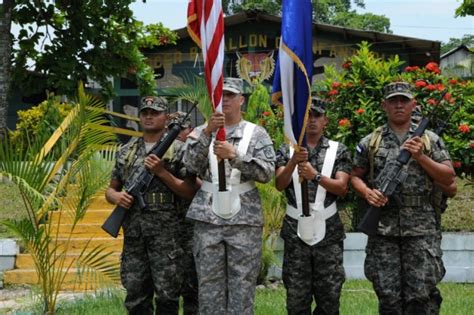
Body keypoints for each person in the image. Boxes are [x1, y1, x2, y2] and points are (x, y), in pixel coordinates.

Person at [351, 82, 456, 314]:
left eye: (404, 100)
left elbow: (449, 177)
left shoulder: (429, 140)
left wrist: (421, 157)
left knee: (421, 294)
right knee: (387, 294)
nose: (399, 105)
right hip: (383, 230)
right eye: (393, 101)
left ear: (413, 104)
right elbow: (354, 176)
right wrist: (368, 193)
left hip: (421, 231)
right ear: (384, 105)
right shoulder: (371, 141)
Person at [183, 77, 276, 314]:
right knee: (208, 286)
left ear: (241, 100)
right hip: (208, 218)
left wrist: (235, 155)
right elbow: (189, 167)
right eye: (220, 96)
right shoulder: (199, 132)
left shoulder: (257, 134)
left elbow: (267, 173)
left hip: (244, 220)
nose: (224, 100)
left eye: (230, 95)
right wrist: (208, 133)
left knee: (242, 285)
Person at [105, 96, 199, 314]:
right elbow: (111, 189)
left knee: (168, 295)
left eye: (155, 113)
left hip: (168, 236)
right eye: (145, 112)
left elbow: (190, 191)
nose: (149, 116)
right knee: (136, 294)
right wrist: (116, 197)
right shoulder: (126, 152)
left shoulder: (179, 150)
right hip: (135, 234)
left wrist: (162, 173)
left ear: (166, 118)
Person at [275, 97, 352, 315]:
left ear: (325, 120)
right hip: (295, 232)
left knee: (329, 298)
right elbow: (280, 184)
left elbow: (342, 187)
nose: (312, 121)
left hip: (328, 233)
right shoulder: (285, 150)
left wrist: (315, 175)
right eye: (307, 115)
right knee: (297, 299)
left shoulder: (339, 150)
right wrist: (293, 161)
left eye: (317, 115)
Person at [169, 110, 199, 314]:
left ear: (189, 130)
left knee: (191, 284)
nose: (175, 133)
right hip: (165, 225)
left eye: (179, 129)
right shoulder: (161, 151)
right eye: (170, 129)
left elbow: (195, 185)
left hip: (188, 225)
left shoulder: (188, 151)